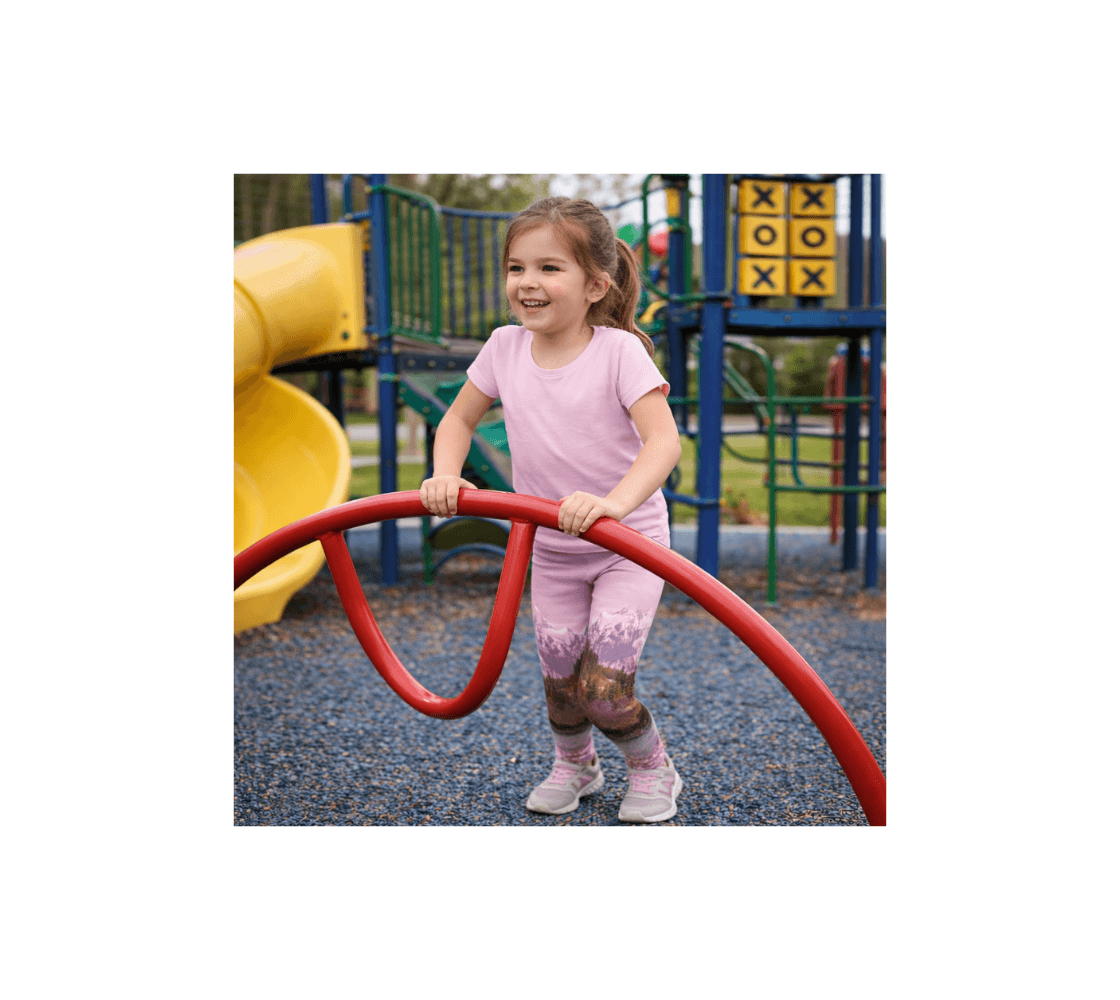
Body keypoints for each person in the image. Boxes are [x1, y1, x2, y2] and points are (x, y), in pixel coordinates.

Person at [420, 197, 684, 823]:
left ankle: (654, 771)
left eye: (549, 268)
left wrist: (613, 505)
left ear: (596, 284)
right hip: (551, 547)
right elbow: (458, 417)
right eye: (516, 268)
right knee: (561, 687)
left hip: (628, 545)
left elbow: (664, 441)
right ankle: (576, 767)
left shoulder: (618, 353)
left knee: (605, 690)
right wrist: (445, 474)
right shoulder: (504, 348)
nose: (528, 283)